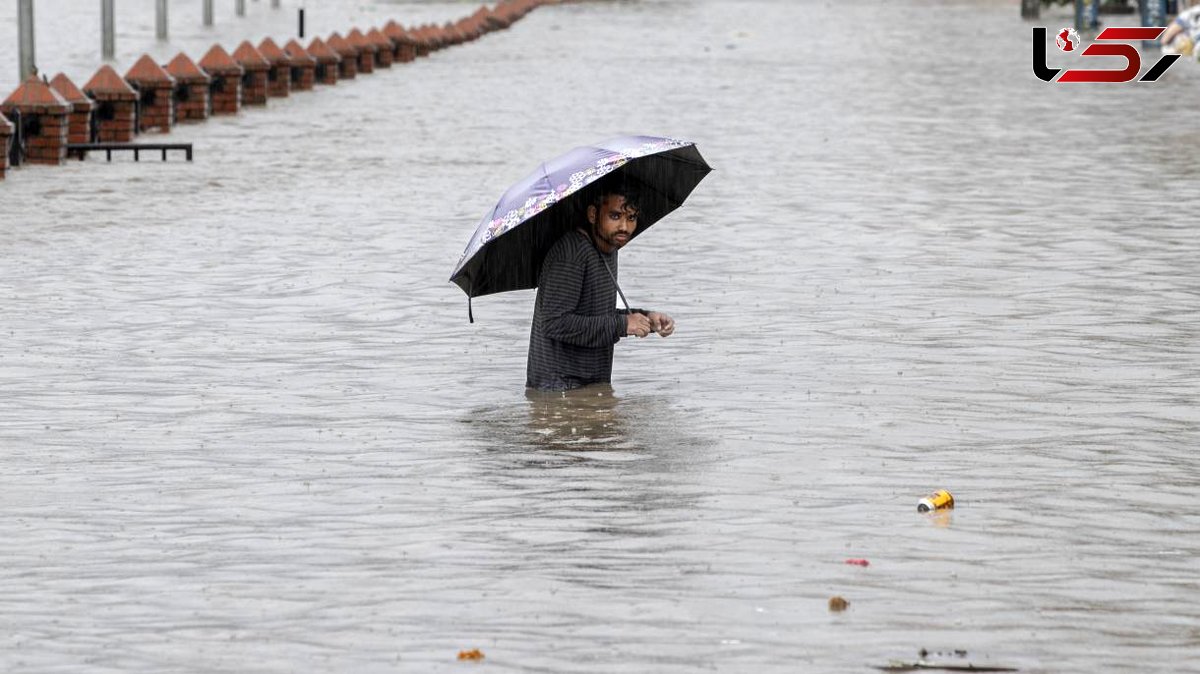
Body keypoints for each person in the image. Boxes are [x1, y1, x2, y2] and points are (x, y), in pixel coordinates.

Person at [525, 182, 674, 391]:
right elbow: (555, 323)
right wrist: (622, 325)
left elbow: (594, 312)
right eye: (615, 216)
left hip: (591, 387)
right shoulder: (571, 253)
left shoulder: (610, 247)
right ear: (593, 215)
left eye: (631, 218)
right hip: (559, 390)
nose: (624, 227)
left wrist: (645, 318)